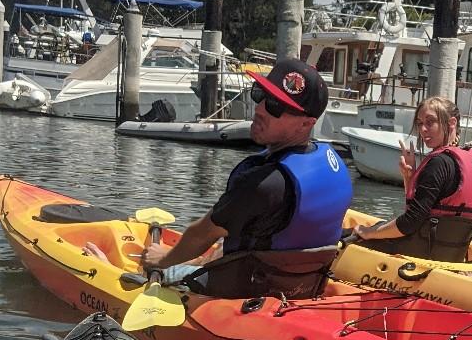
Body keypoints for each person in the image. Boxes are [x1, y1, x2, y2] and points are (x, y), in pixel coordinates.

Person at [140, 59, 353, 299]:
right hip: (303, 287)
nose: (260, 109)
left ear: (307, 123)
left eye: (275, 105)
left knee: (144, 271)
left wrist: (164, 258)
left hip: (248, 292)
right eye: (260, 94)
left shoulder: (265, 184)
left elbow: (202, 234)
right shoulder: (333, 163)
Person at [352, 96, 472, 261]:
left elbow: (409, 223)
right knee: (377, 226)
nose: (423, 129)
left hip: (422, 253)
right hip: (452, 254)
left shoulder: (438, 163)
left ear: (451, 123)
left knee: (350, 235)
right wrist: (409, 178)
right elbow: (423, 211)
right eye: (419, 123)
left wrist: (368, 233)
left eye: (430, 122)